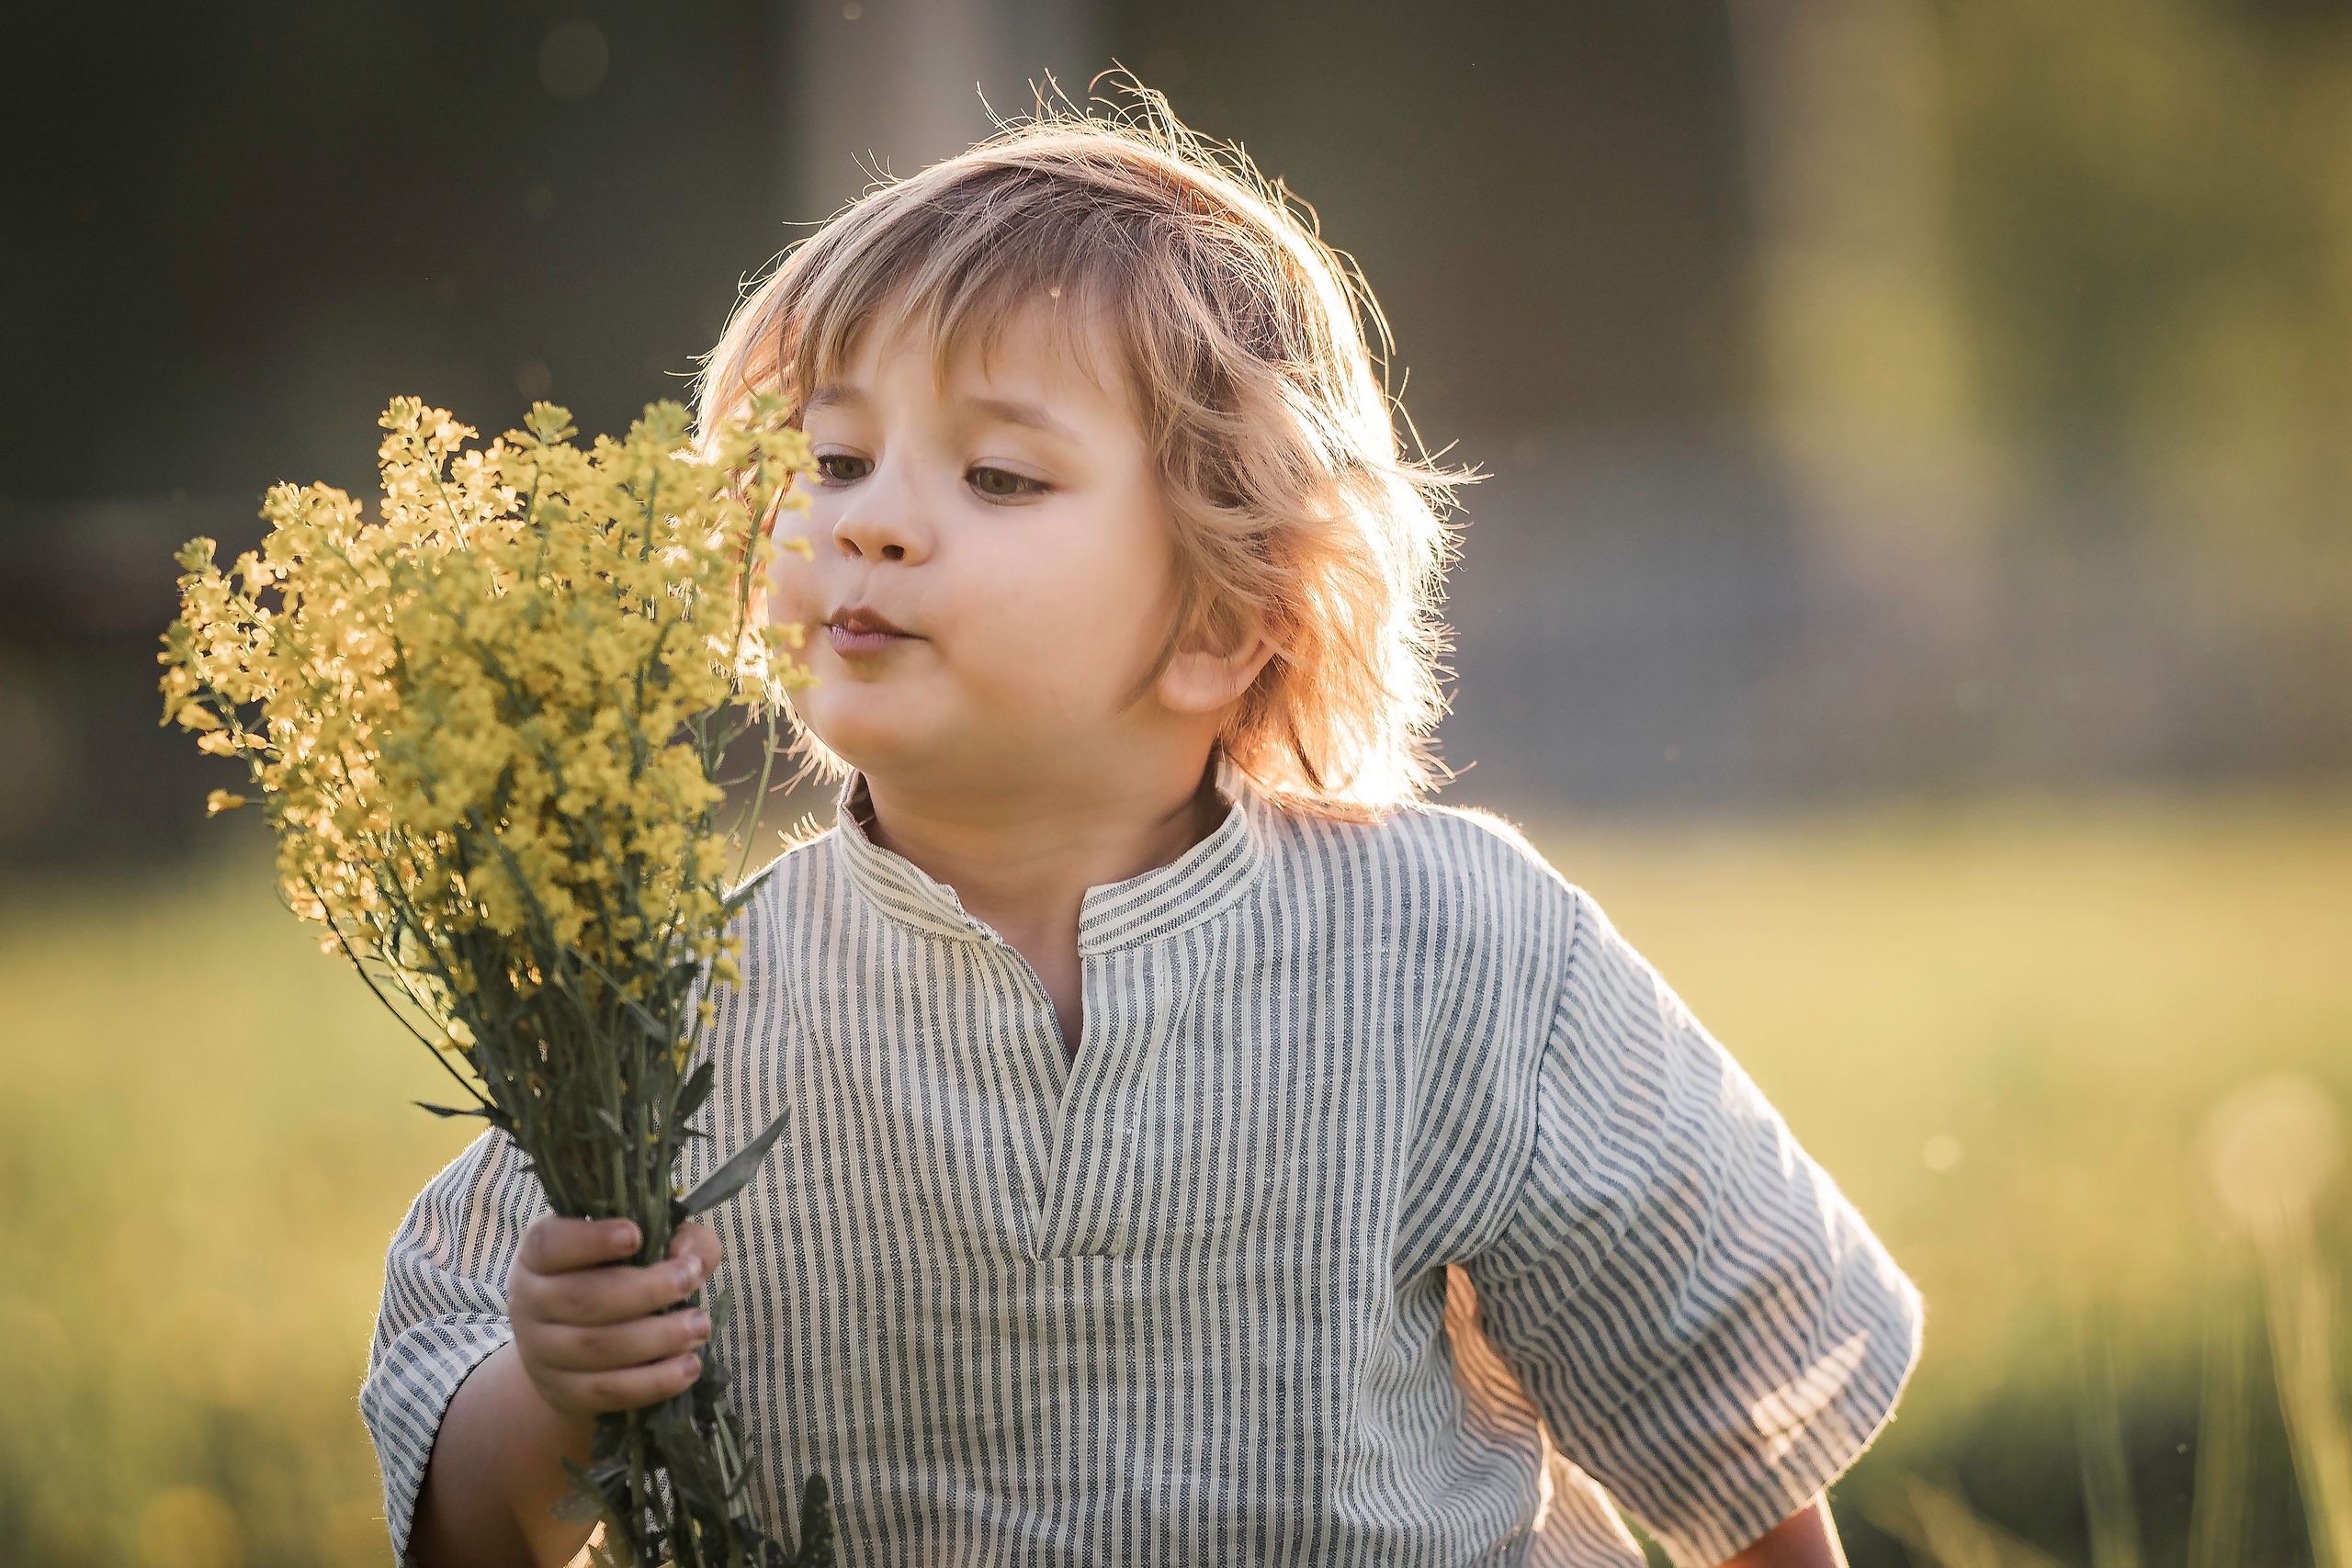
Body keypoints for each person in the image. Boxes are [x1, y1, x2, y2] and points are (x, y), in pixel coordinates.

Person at [363, 90, 1920, 1568]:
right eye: (830, 461)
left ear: (1225, 615)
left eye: (997, 473)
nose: (871, 518)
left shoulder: (1457, 948)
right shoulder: (659, 1015)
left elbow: (1735, 1422)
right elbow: (465, 1519)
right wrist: (554, 1387)